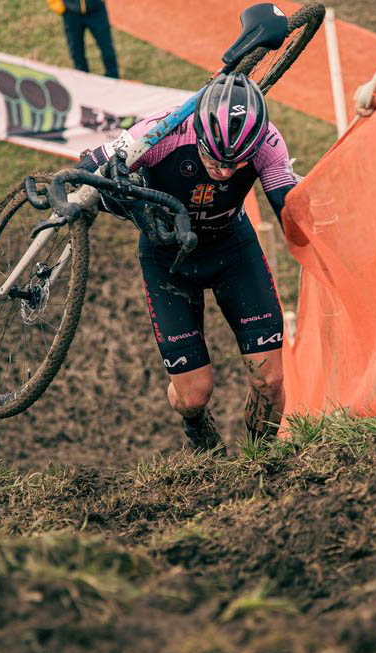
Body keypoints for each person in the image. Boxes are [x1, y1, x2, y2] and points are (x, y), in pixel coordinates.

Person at [77, 73, 297, 452]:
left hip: (233, 251)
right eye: (215, 158)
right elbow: (89, 168)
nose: (225, 171)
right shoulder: (161, 131)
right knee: (193, 395)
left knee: (270, 380)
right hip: (168, 262)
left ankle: (262, 459)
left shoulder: (267, 141)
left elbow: (290, 213)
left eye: (236, 163)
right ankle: (196, 425)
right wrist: (135, 206)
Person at [47, 0, 119, 79]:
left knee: (107, 48)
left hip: (97, 10)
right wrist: (55, 3)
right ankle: (83, 80)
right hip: (71, 13)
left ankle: (113, 78)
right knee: (76, 51)